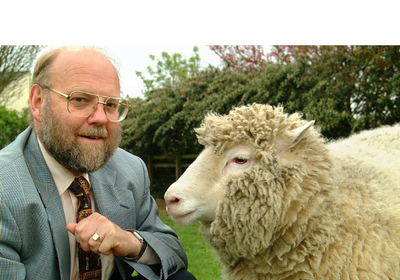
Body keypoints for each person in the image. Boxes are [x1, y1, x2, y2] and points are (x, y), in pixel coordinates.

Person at [0, 46, 196, 280]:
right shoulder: (5, 187)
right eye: (80, 99)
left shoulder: (130, 170)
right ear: (38, 102)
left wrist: (129, 241)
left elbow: (172, 252)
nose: (101, 118)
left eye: (111, 104)